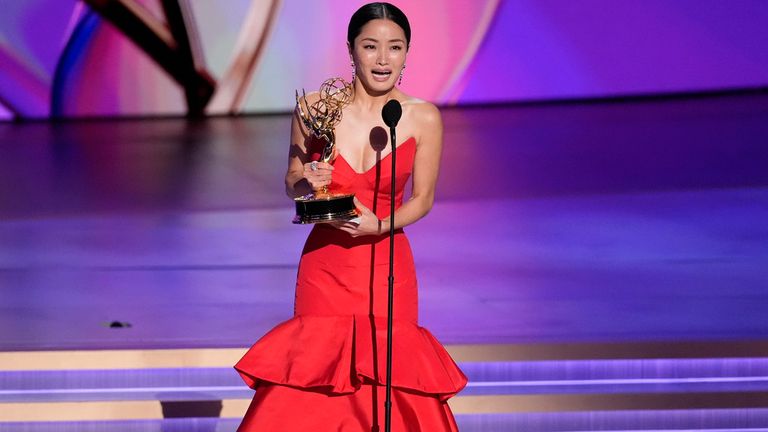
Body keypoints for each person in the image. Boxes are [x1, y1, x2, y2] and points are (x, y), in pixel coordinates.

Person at [235, 3, 466, 430]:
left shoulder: (421, 117)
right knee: (316, 378)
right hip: (327, 264)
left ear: (407, 52)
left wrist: (379, 224)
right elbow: (292, 183)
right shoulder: (317, 109)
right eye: (371, 46)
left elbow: (423, 199)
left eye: (395, 48)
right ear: (351, 49)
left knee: (388, 380)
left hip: (386, 264)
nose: (383, 59)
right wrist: (306, 179)